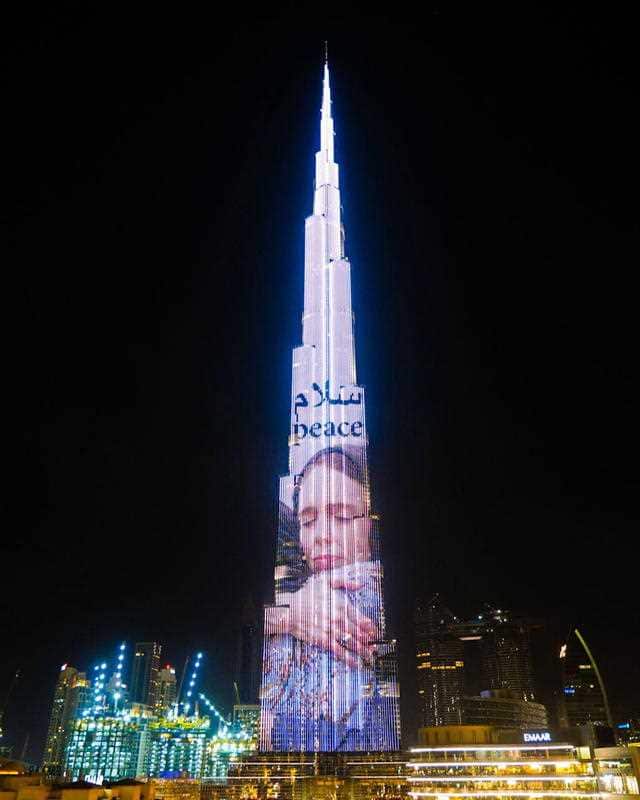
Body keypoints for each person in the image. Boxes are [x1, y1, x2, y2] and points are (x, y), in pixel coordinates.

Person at [261, 445, 389, 751]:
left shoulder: (362, 591)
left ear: (370, 523)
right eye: (307, 521)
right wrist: (287, 613)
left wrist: (284, 614)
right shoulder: (301, 593)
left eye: (342, 517)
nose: (322, 535)